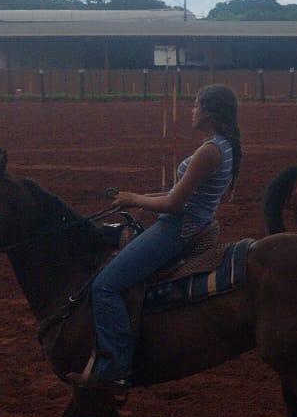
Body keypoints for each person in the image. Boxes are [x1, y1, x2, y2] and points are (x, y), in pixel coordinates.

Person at [70, 84, 242, 390]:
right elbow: (179, 194)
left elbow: (175, 204)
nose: (192, 109)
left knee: (105, 286)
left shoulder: (209, 151)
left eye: (195, 104)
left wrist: (136, 199)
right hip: (192, 223)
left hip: (176, 229)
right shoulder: (224, 147)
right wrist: (134, 198)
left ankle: (115, 367)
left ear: (210, 112)